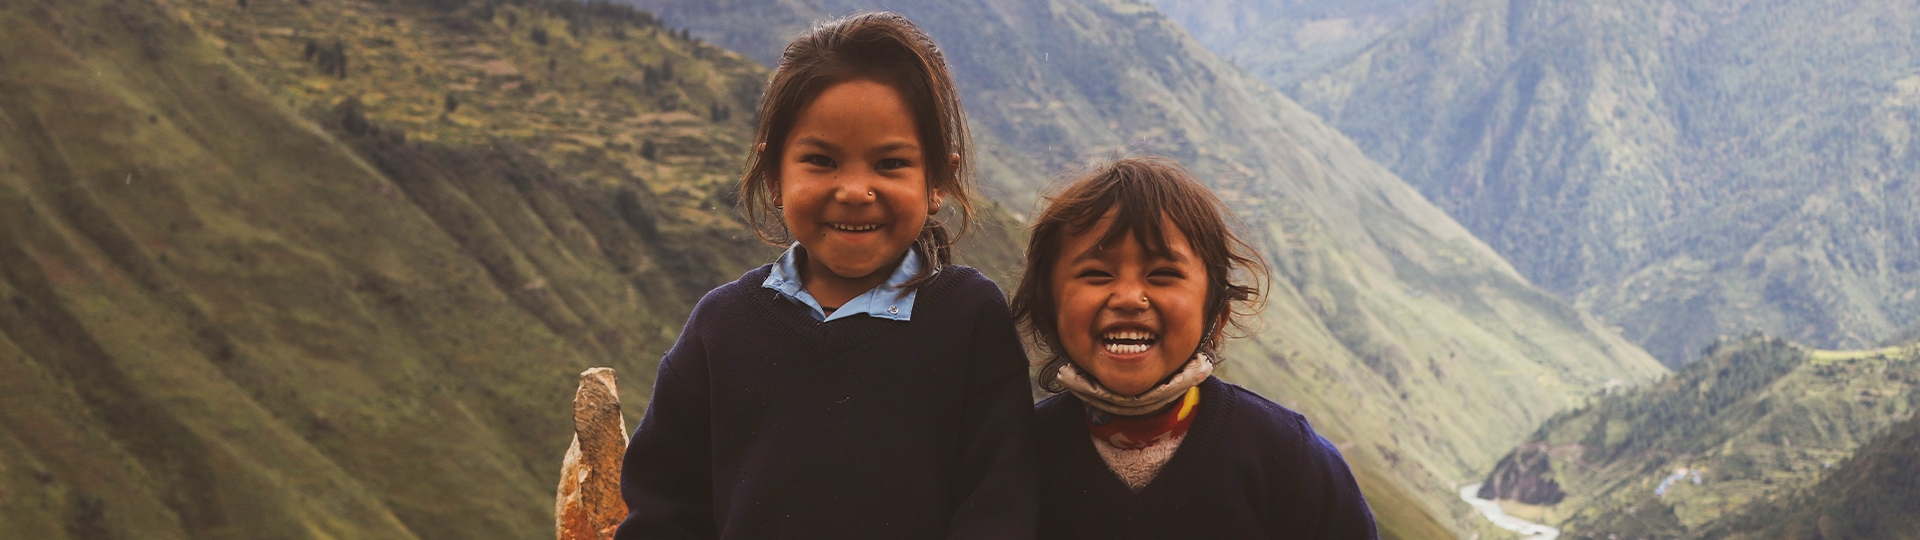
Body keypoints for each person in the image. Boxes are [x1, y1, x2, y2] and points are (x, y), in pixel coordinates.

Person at [612, 11, 1037, 540]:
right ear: (773, 175)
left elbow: (998, 506)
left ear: (938, 180)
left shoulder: (969, 319)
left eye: (889, 164)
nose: (855, 190)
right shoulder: (720, 328)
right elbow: (664, 509)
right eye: (820, 160)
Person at [1010, 156, 1378, 539]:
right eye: (1097, 274)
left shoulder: (1288, 459)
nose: (1129, 298)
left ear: (1215, 315)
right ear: (1048, 309)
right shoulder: (1016, 460)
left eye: (1163, 274)